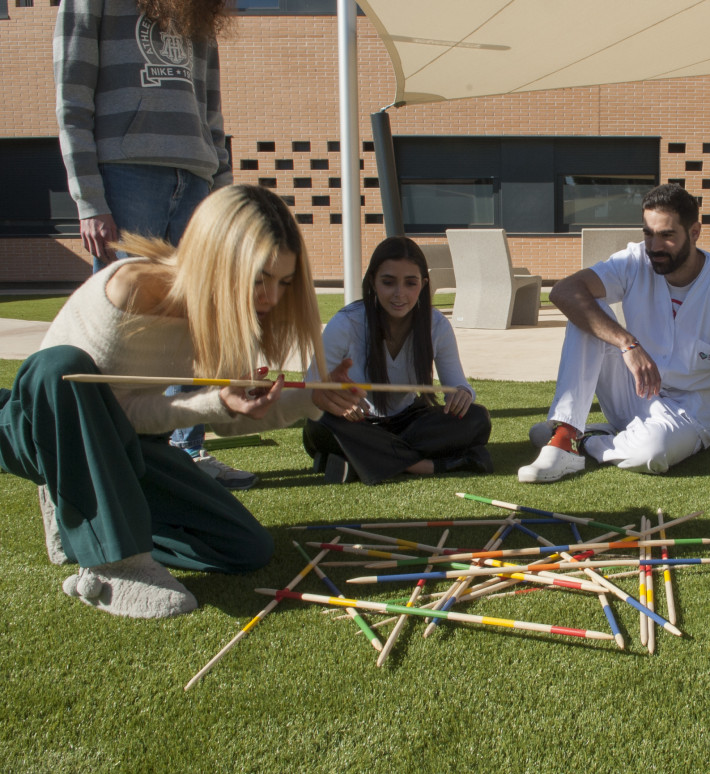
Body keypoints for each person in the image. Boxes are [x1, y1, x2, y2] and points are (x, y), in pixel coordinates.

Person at [0, 185, 360, 619]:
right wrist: (213, 406)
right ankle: (115, 563)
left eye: (284, 282)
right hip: (47, 430)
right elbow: (109, 411)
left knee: (246, 548)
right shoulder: (128, 291)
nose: (272, 298)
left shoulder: (230, 312)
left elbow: (228, 418)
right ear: (215, 262)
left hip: (130, 443)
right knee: (60, 365)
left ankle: (77, 511)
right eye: (259, 279)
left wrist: (309, 399)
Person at [54, 0, 255, 489]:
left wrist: (225, 199)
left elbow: (213, 112)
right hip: (125, 175)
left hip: (198, 177)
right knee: (130, 323)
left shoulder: (198, 9)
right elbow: (71, 101)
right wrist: (88, 201)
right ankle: (115, 455)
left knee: (199, 318)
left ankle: (189, 452)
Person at [518, 183, 710, 484]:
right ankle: (566, 436)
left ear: (695, 232)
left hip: (691, 414)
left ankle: (584, 439)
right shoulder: (635, 260)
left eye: (667, 235)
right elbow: (564, 292)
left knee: (650, 454)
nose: (655, 246)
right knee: (584, 310)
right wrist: (628, 343)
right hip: (637, 391)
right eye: (648, 234)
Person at [303, 237, 492, 485]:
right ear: (373, 281)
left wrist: (462, 395)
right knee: (321, 423)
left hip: (408, 421)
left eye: (410, 283)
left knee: (477, 419)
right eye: (388, 282)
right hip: (356, 422)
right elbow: (311, 388)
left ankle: (359, 461)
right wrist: (336, 401)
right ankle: (425, 466)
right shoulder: (347, 323)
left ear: (423, 285)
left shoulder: (436, 325)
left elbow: (457, 385)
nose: (399, 294)